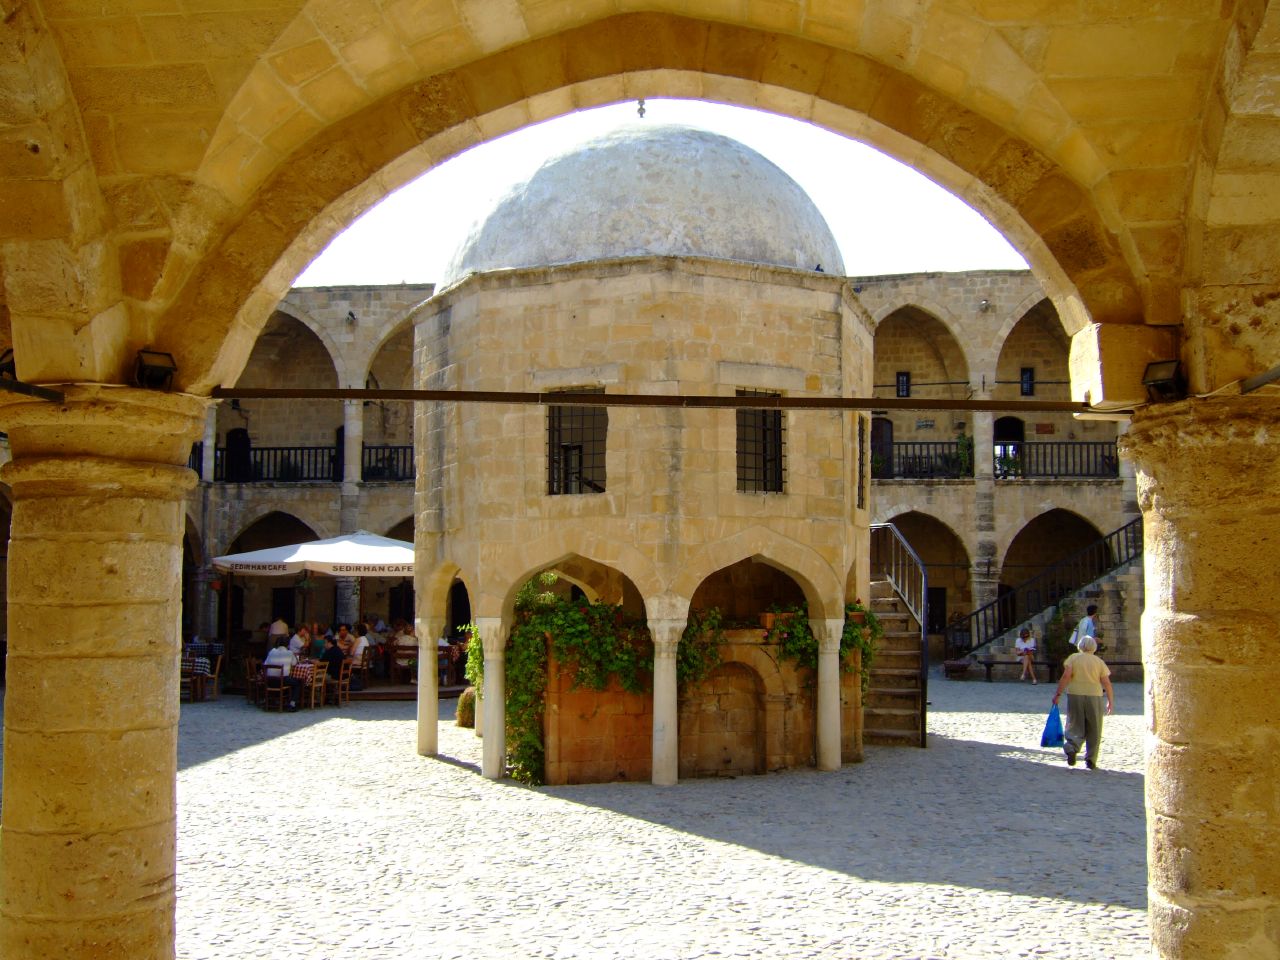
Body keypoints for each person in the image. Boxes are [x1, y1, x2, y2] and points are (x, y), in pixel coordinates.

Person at [1051, 635, 1114, 769]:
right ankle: (1091, 758)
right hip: (1094, 695)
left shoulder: (1073, 658)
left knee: (1075, 722)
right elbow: (1106, 683)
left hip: (1075, 693)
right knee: (1094, 727)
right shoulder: (1099, 662)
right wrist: (1110, 700)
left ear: (1080, 645)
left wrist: (1058, 694)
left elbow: (1066, 676)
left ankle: (1071, 747)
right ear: (1094, 647)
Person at [262, 639, 301, 711]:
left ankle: (274, 700)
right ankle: (292, 704)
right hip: (282, 680)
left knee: (289, 680)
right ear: (287, 645)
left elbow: (265, 664)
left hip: (269, 680)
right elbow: (294, 663)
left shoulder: (271, 651)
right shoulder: (289, 653)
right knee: (297, 683)